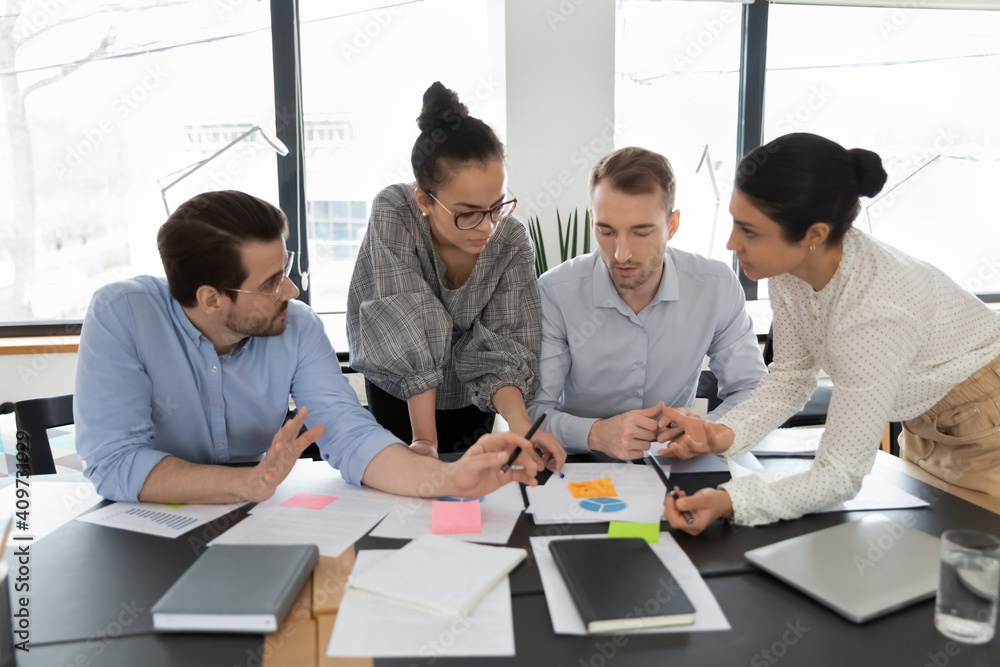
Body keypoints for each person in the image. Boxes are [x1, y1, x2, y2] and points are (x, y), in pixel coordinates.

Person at [74, 190, 544, 504]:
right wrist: (248, 483)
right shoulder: (122, 316)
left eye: (287, 268)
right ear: (210, 299)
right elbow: (114, 462)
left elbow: (346, 431)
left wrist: (446, 478)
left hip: (257, 521)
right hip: (143, 525)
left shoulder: (296, 326)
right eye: (271, 282)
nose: (292, 291)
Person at [660, 132, 1000, 534]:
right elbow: (791, 377)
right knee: (918, 548)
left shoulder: (873, 312)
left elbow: (839, 475)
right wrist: (723, 434)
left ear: (814, 235)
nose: (732, 243)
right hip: (925, 420)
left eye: (749, 231)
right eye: (735, 222)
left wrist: (732, 501)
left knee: (971, 566)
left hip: (986, 423)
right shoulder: (788, 270)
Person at [347, 82, 565, 467]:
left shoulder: (511, 240)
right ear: (424, 200)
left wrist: (521, 425)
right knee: (403, 495)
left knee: (465, 500)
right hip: (401, 395)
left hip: (472, 398)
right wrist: (424, 440)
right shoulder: (394, 211)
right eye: (468, 212)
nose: (487, 227)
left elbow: (504, 344)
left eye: (497, 206)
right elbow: (407, 321)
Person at [526, 146, 767, 460]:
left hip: (675, 462)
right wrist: (595, 433)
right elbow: (532, 411)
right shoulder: (556, 292)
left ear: (672, 225)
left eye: (641, 232)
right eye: (606, 230)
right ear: (591, 221)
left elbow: (753, 392)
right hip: (576, 463)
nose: (621, 253)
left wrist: (707, 431)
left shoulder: (716, 286)